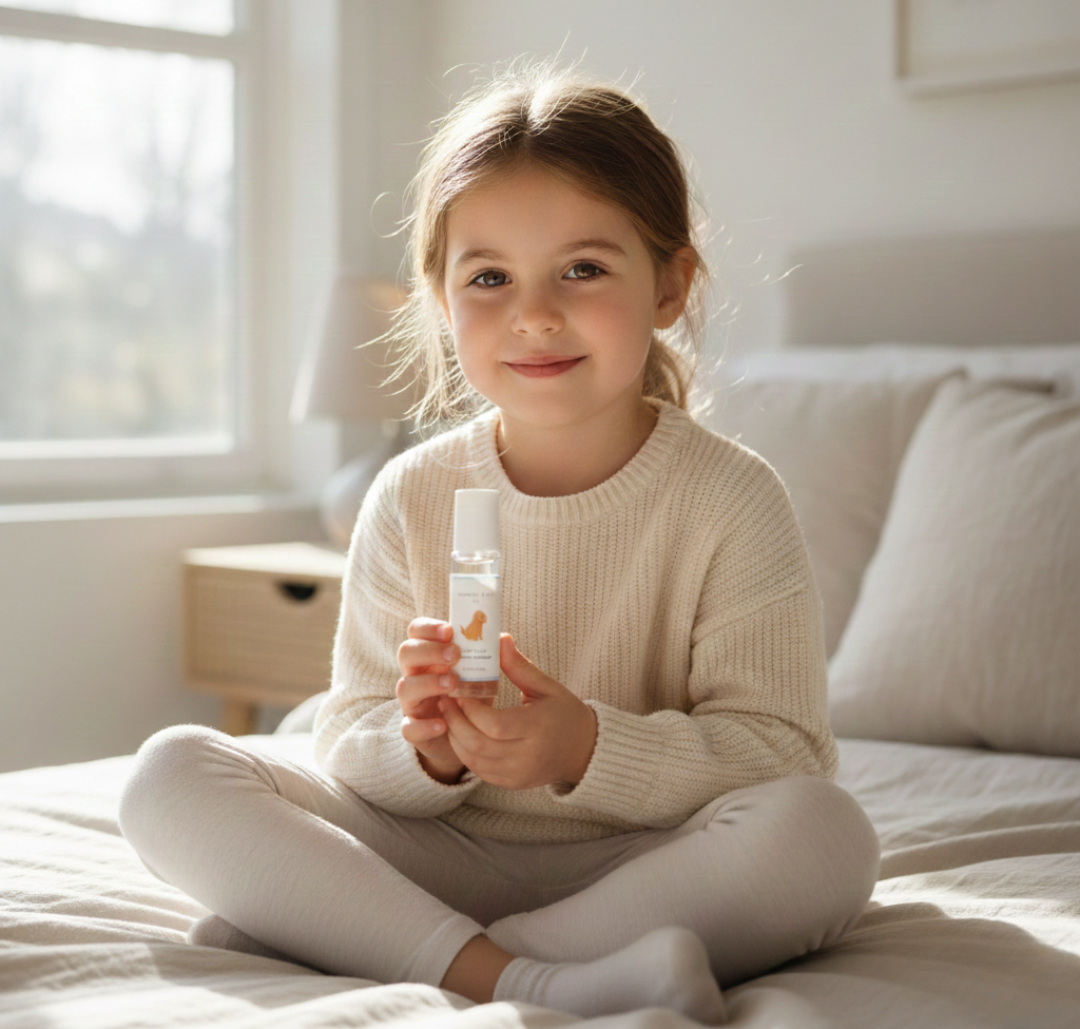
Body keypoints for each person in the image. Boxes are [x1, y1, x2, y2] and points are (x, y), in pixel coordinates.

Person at [119, 64, 879, 1024]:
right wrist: (428, 752)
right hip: (432, 849)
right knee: (174, 772)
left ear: (671, 286)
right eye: (489, 278)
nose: (534, 313)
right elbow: (348, 741)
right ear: (440, 298)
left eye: (584, 269)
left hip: (642, 864)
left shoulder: (731, 498)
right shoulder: (411, 493)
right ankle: (520, 981)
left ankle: (376, 940)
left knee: (823, 833)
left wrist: (586, 747)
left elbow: (784, 753)